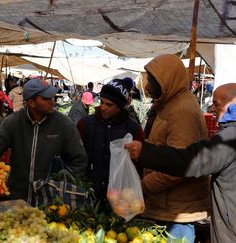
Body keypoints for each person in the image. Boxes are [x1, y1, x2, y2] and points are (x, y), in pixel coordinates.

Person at [124, 84, 236, 243]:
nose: (212, 109)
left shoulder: (230, 137)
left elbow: (191, 160)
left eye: (216, 104)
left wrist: (145, 153)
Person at [0, 79, 88, 204]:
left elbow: (79, 160)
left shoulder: (64, 125)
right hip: (18, 197)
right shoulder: (14, 122)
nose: (52, 101)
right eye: (45, 99)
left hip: (51, 200)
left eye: (51, 97)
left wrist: (62, 183)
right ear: (31, 102)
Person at [141, 54, 210, 242]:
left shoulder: (182, 111)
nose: (147, 87)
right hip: (166, 205)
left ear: (167, 81)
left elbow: (179, 166)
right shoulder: (167, 104)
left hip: (177, 211)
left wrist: (144, 186)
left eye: (152, 81)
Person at [77, 79, 144, 201]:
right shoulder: (85, 124)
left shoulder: (133, 129)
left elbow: (139, 165)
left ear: (120, 106)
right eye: (102, 102)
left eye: (109, 105)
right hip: (87, 193)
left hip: (119, 197)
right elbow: (75, 156)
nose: (103, 108)